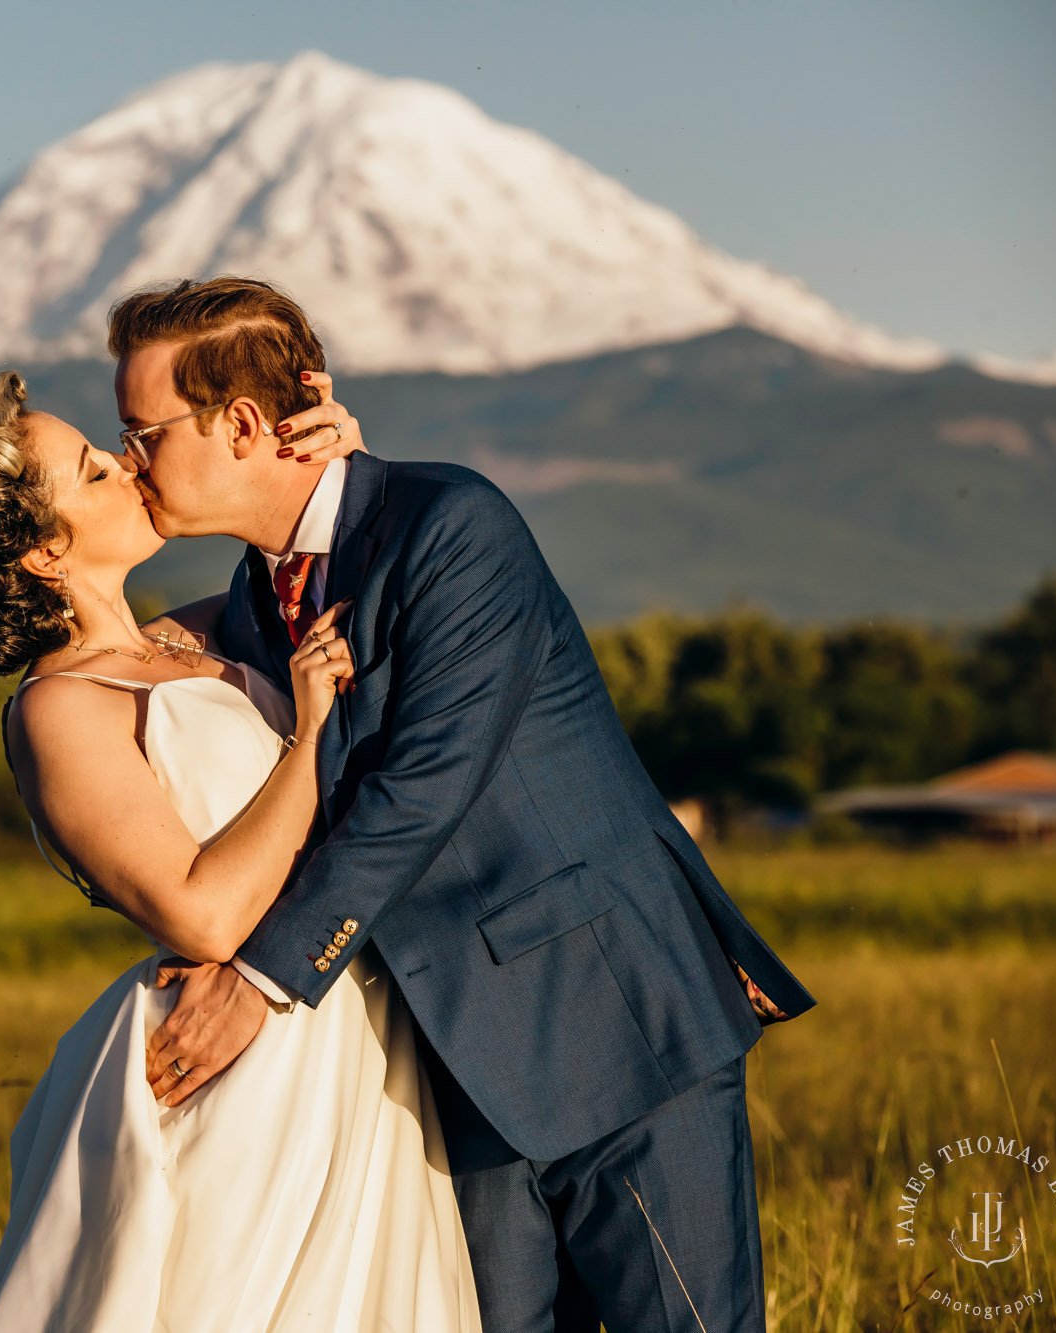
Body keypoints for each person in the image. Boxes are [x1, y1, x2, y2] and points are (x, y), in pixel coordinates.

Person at [110, 277, 813, 1332]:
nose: (131, 462)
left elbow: (420, 783)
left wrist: (258, 980)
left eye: (142, 432)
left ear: (245, 425)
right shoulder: (254, 602)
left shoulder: (452, 524)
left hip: (610, 1024)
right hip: (440, 1076)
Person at [0, 370, 481, 1331]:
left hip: (360, 1026)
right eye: (91, 471)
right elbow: (199, 910)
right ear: (47, 551)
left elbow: (348, 571)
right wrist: (308, 735)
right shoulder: (58, 709)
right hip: (246, 1066)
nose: (126, 464)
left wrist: (333, 463)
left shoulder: (201, 634)